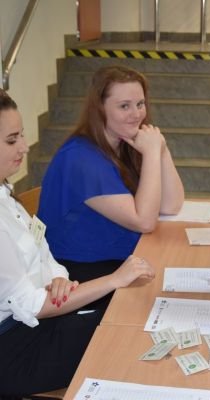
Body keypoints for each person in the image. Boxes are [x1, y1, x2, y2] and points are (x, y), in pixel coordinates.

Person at [0, 89, 155, 397]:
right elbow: (31, 304)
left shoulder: (6, 194)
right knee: (124, 336)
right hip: (13, 350)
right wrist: (114, 279)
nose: (24, 147)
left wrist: (57, 277)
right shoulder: (79, 156)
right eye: (11, 140)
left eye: (22, 136)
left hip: (33, 322)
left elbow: (43, 254)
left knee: (129, 317)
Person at [38, 65, 184, 289]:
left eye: (140, 104)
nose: (136, 114)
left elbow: (171, 205)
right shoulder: (80, 159)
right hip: (80, 274)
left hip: (119, 259)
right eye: (124, 106)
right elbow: (144, 221)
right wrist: (153, 153)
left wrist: (161, 148)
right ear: (100, 109)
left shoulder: (124, 143)